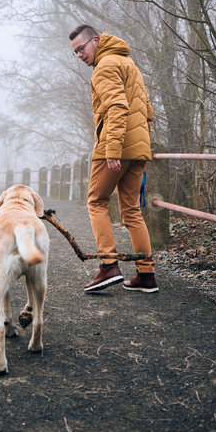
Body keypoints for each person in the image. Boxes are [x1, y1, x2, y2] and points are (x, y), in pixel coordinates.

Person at [69, 24, 157, 293]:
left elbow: (117, 107)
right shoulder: (127, 63)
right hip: (137, 148)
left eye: (81, 48)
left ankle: (109, 265)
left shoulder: (105, 67)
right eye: (75, 52)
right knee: (131, 210)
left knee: (96, 201)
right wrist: (140, 146)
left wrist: (113, 150)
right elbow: (148, 110)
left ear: (96, 41)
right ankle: (146, 274)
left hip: (115, 147)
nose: (80, 55)